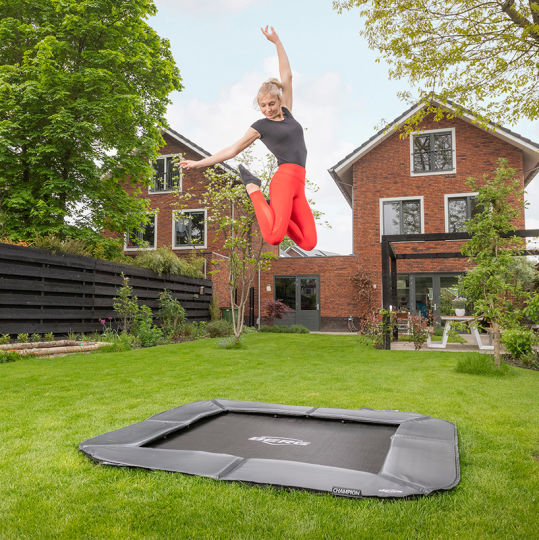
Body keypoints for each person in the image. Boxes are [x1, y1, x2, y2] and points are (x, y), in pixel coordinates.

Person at [179, 26, 317, 251]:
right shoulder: (260, 127)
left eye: (271, 104)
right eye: (263, 106)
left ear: (278, 100)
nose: (268, 110)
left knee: (309, 243)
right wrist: (198, 163)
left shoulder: (288, 112)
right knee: (273, 237)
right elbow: (232, 151)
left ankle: (271, 206)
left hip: (299, 186)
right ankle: (253, 188)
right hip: (283, 181)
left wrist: (277, 42)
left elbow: (287, 75)